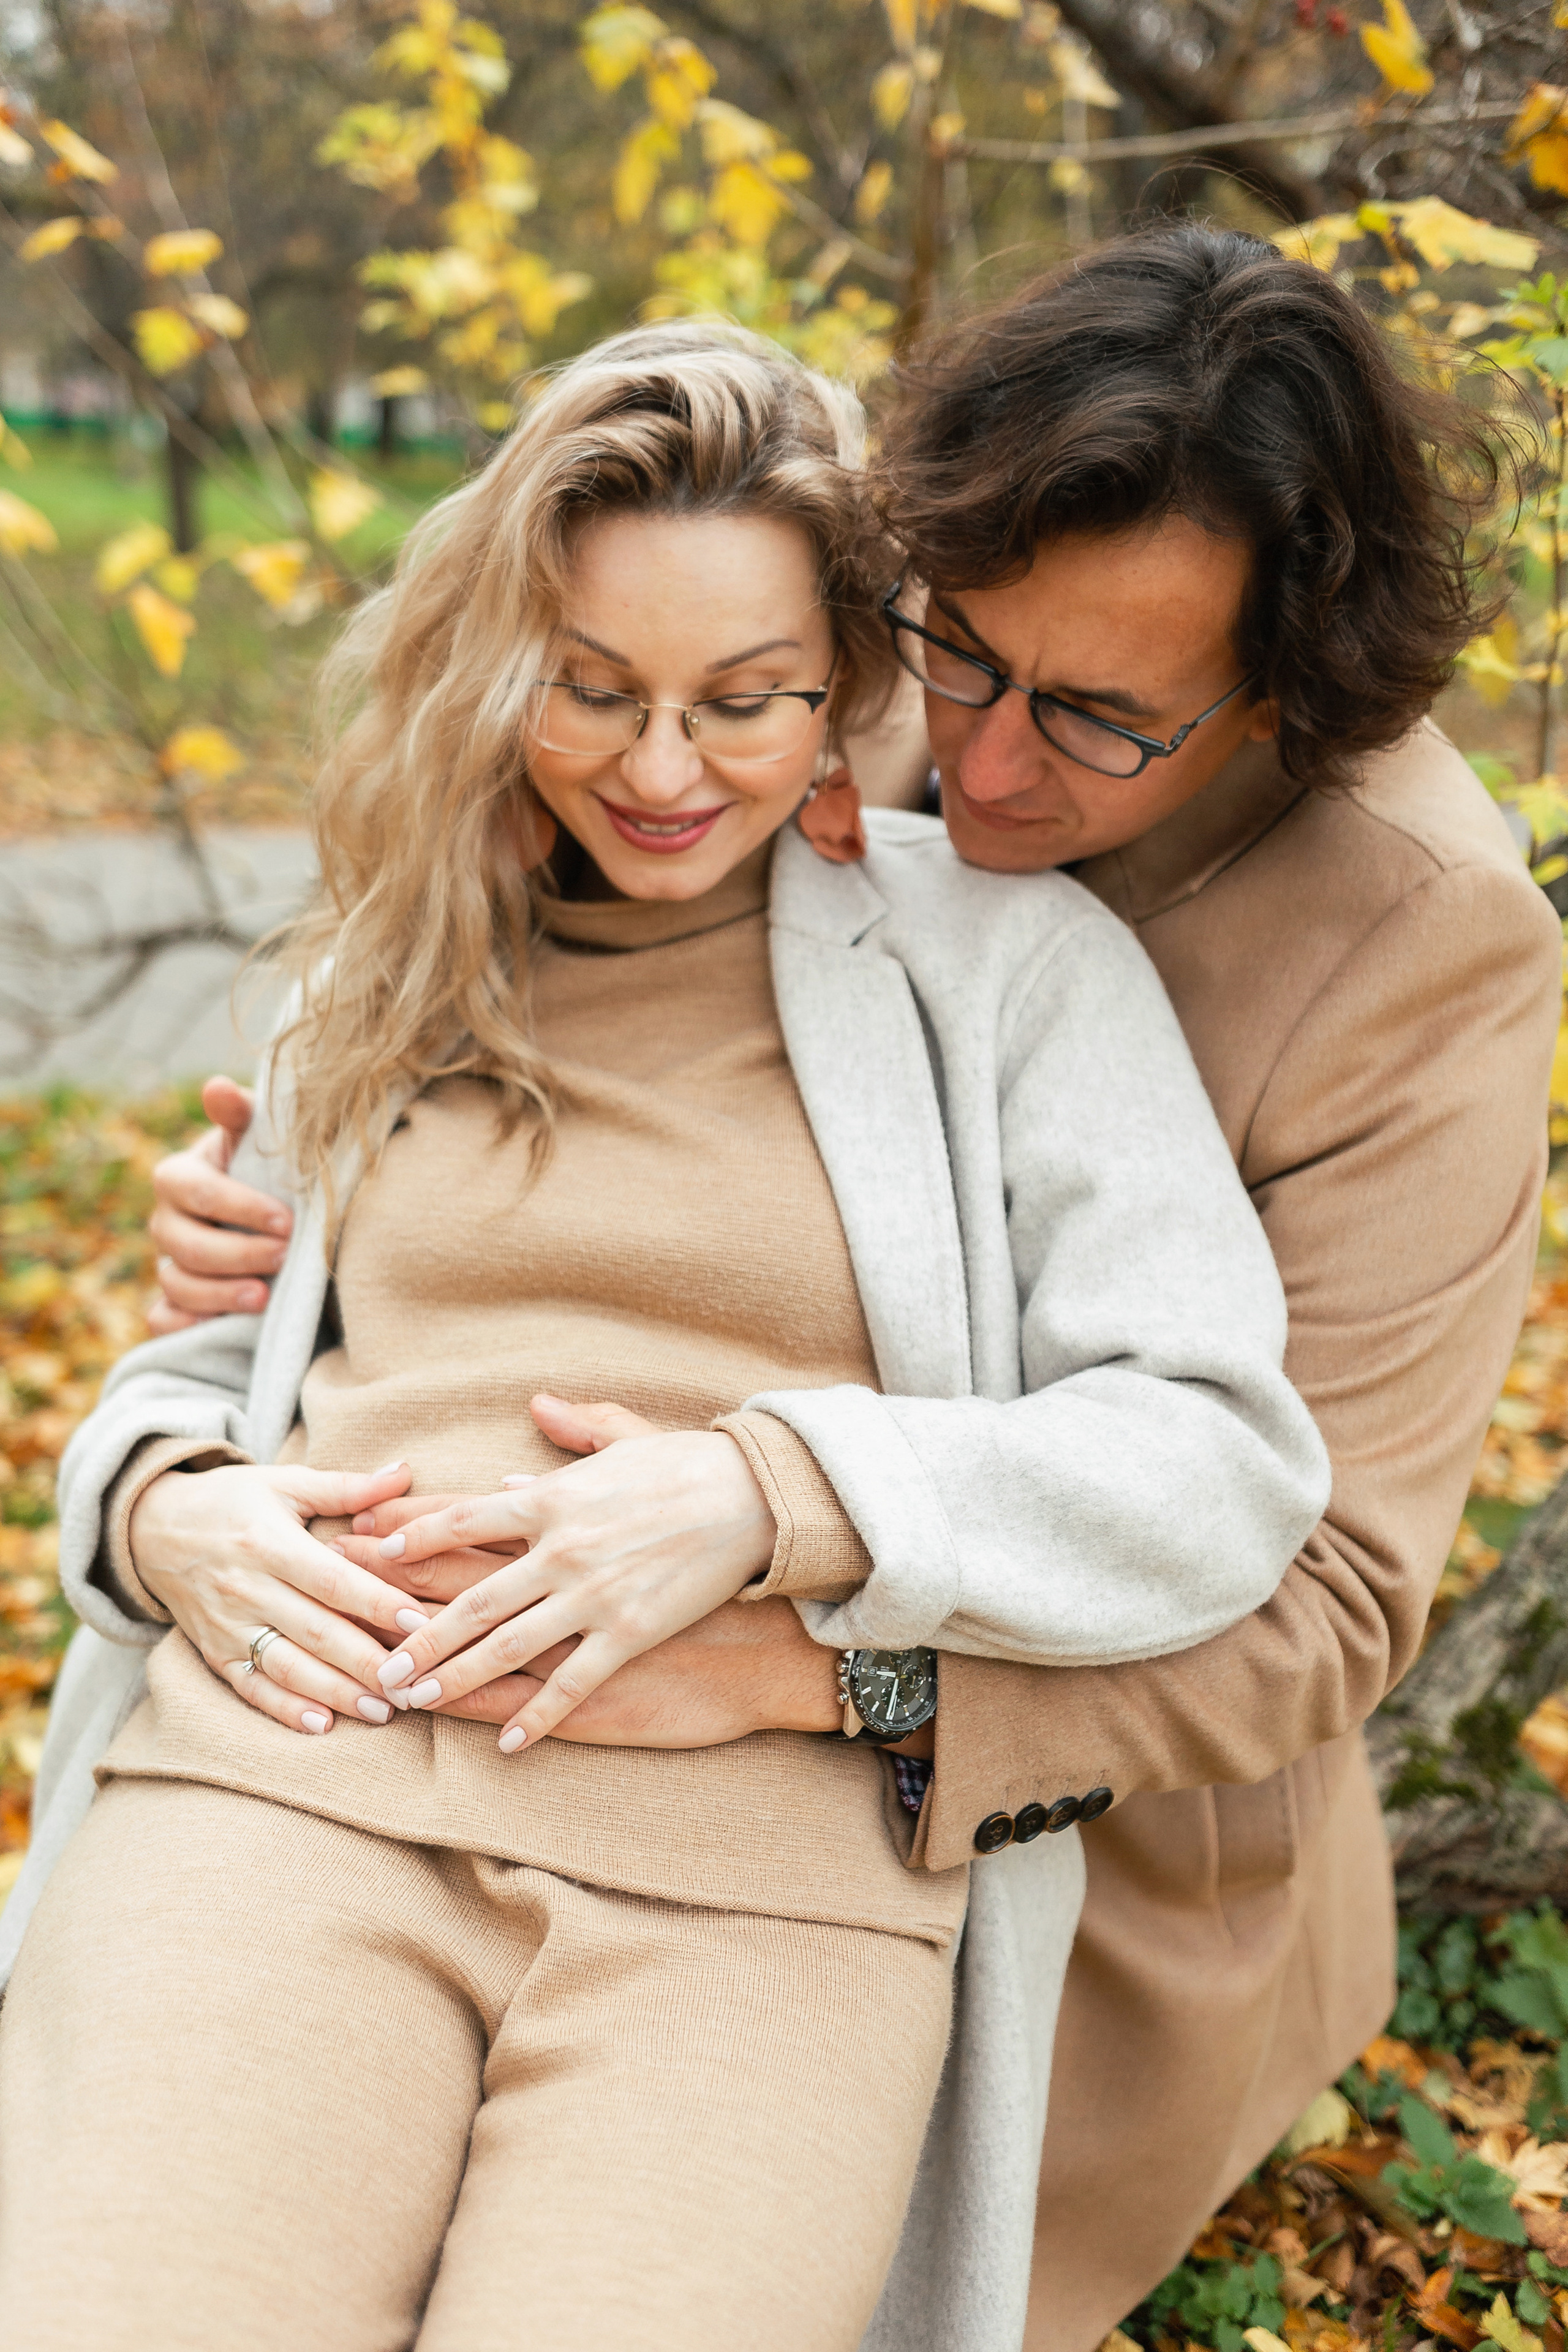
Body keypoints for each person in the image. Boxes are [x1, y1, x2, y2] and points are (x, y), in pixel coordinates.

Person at [127, 225, 1565, 2343]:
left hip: (1067, 1804)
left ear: (1279, 683)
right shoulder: (836, 674)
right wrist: (288, 1237)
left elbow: (1320, 1598)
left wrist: (827, 1672)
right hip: (491, 1732)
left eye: (1097, 719)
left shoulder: (1425, 942)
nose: (977, 771)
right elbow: (483, 982)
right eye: (954, 660)